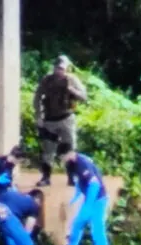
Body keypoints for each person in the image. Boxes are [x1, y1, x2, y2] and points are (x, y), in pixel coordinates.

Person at [33, 55, 87, 187]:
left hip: (66, 118)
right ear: (54, 67)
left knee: (69, 149)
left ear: (66, 68)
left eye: (62, 68)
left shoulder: (71, 80)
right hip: (50, 120)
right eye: (57, 68)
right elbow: (37, 97)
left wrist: (71, 90)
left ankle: (71, 177)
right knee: (48, 150)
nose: (59, 71)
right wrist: (38, 115)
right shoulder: (47, 80)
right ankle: (46, 177)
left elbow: (84, 97)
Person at [57, 143, 110, 245]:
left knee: (97, 230)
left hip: (98, 200)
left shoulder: (82, 163)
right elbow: (79, 181)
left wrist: (88, 205)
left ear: (69, 153)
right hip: (87, 197)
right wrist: (76, 195)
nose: (61, 159)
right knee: (76, 225)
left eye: (62, 156)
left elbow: (95, 184)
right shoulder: (71, 164)